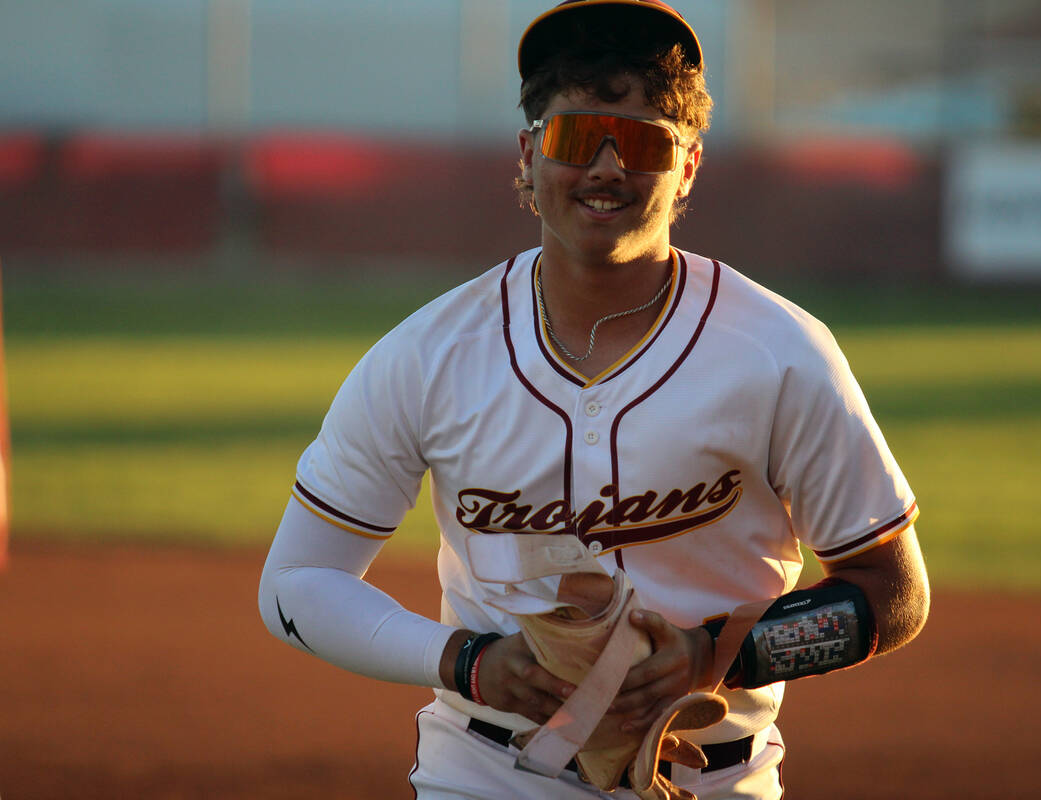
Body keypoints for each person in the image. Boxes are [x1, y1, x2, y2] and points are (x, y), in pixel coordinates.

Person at [259, 1, 930, 798]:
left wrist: (716, 653)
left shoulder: (779, 352)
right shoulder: (428, 354)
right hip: (486, 774)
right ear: (528, 155)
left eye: (643, 141)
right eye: (578, 137)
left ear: (686, 166)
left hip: (716, 780)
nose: (608, 167)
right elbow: (296, 581)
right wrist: (466, 662)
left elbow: (893, 594)